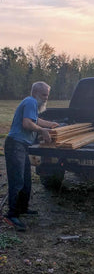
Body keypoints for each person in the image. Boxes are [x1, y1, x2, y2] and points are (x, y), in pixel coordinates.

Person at [4, 81, 59, 231]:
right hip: (15, 144)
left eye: (47, 95)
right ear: (35, 93)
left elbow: (36, 119)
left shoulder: (32, 104)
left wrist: (51, 124)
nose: (46, 98)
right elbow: (27, 123)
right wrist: (42, 130)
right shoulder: (30, 101)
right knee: (17, 180)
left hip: (22, 145)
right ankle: (11, 215)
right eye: (44, 94)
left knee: (26, 179)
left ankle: (23, 208)